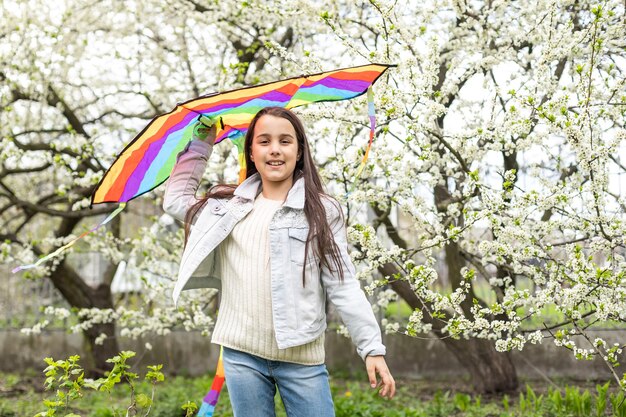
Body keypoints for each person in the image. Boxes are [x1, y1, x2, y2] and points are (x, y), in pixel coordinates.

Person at [163, 107, 395, 416]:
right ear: (251, 151)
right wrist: (203, 139)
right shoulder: (227, 208)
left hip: (301, 359)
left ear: (299, 152)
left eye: (285, 141)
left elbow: (343, 284)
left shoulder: (323, 211)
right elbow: (176, 201)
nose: (274, 149)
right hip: (241, 354)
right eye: (264, 141)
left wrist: (371, 349)